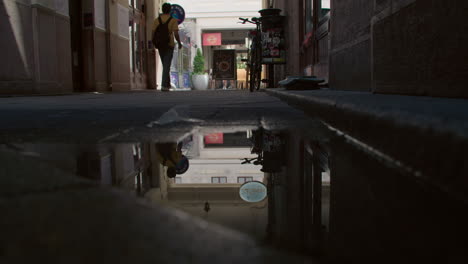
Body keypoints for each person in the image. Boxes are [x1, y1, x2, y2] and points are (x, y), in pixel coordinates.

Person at [152, 3, 182, 91]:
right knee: (166, 65)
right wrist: (179, 43)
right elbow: (176, 33)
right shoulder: (173, 20)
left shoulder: (157, 20)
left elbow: (153, 32)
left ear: (162, 9)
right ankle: (163, 86)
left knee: (165, 65)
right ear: (169, 10)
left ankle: (167, 84)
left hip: (160, 45)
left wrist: (153, 42)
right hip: (169, 45)